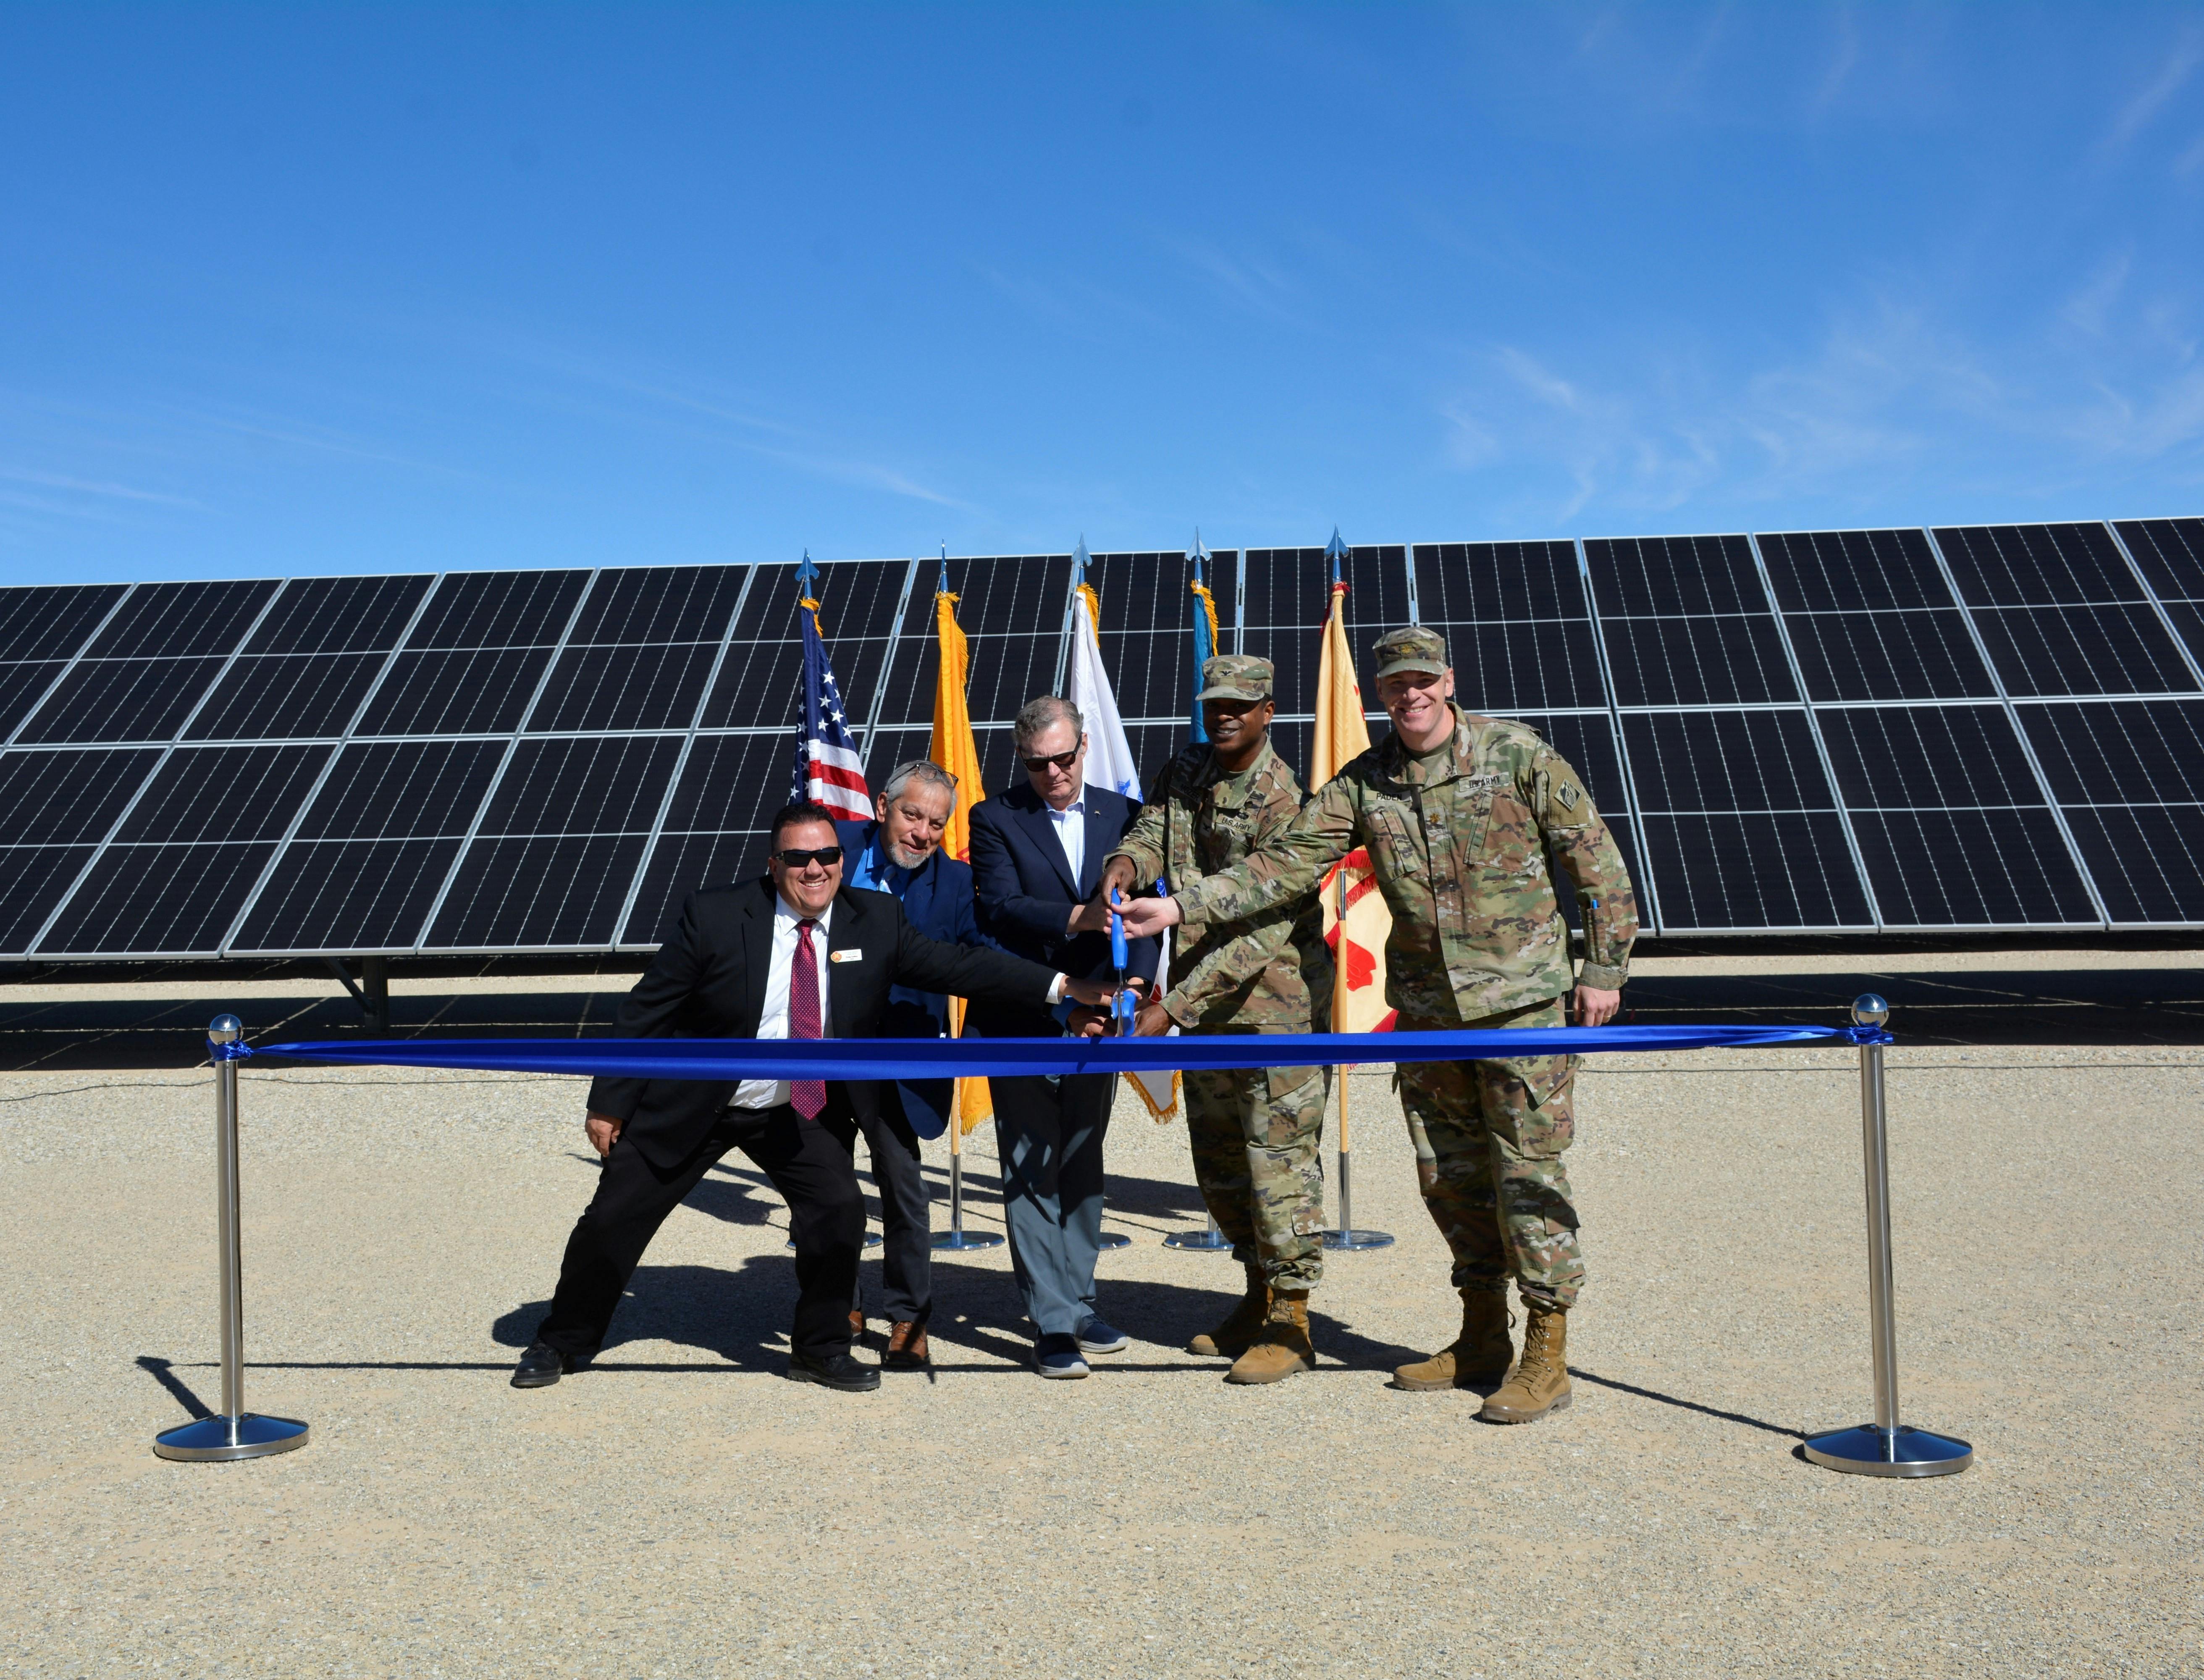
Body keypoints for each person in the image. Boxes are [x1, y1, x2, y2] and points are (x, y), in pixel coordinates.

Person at [1119, 626, 1638, 1423]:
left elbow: (1595, 861)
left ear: (1447, 681)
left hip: (1522, 1012)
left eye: (1423, 681)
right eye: (1396, 686)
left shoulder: (1518, 757)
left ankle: (1548, 1350)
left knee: (1529, 1178)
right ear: (1381, 695)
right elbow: (1287, 864)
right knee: (1450, 1180)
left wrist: (1602, 972)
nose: (1412, 696)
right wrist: (1183, 905)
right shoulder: (1365, 783)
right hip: (1428, 1018)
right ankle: (1482, 1334)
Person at [511, 801, 1107, 1394]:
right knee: (613, 1219)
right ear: (775, 865)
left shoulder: (874, 920)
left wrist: (1063, 989)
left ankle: (820, 1348)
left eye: (828, 856)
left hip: (794, 1109)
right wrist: (609, 1102)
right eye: (799, 859)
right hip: (698, 1103)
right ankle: (561, 1340)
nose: (815, 869)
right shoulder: (715, 915)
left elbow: (964, 966)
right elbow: (647, 1010)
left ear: (842, 863)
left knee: (839, 1212)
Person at [1083, 654, 1334, 1385]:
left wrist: (1173, 1008)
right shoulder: (1188, 768)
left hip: (1272, 1010)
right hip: (1204, 1010)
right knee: (1221, 1166)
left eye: (1239, 705)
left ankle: (1291, 1321)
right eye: (1213, 704)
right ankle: (1255, 1296)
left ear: (1267, 711)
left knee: (1277, 1168)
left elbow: (1267, 927)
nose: (1222, 716)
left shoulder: (1286, 800)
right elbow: (1155, 828)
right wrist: (1122, 867)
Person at [966, 695, 1160, 1378]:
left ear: (1084, 747)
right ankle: (1050, 1324)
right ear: (1022, 761)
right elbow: (1003, 911)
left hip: (1105, 1022)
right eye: (1037, 764)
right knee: (1029, 1170)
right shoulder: (994, 818)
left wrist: (1134, 989)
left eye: (1064, 758)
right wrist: (1084, 924)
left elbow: (1145, 918)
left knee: (1082, 1166)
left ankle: (1079, 1303)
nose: (1053, 774)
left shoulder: (1127, 817)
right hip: (1025, 1020)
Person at [832, 759, 977, 1371]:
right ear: (882, 807)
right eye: (912, 815)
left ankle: (909, 1319)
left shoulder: (956, 884)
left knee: (903, 1191)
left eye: (936, 824)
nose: (921, 833)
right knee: (827, 1188)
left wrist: (1062, 996)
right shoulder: (829, 851)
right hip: (827, 1050)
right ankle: (838, 1304)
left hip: (905, 1057)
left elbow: (983, 960)